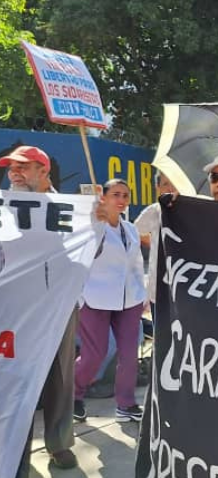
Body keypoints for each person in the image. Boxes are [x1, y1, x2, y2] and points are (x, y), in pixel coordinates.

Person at [0, 146, 79, 478]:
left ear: (43, 173)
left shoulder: (71, 210)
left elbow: (86, 252)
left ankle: (59, 443)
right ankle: (12, 459)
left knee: (60, 376)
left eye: (23, 168)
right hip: (13, 306)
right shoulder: (3, 208)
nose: (14, 174)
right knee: (15, 379)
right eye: (10, 169)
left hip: (57, 304)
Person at [73, 179, 147, 423]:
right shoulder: (92, 225)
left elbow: (136, 264)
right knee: (95, 355)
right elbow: (85, 254)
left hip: (130, 300)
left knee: (128, 355)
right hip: (96, 298)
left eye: (126, 195)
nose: (122, 200)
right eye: (116, 194)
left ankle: (126, 404)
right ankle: (73, 393)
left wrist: (142, 293)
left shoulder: (132, 229)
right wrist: (97, 223)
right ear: (103, 197)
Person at [133, 171, 178, 317]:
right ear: (157, 187)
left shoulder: (193, 211)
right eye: (165, 184)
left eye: (174, 183)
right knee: (161, 334)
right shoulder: (154, 211)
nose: (170, 188)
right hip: (158, 289)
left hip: (185, 289)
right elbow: (135, 231)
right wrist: (154, 244)